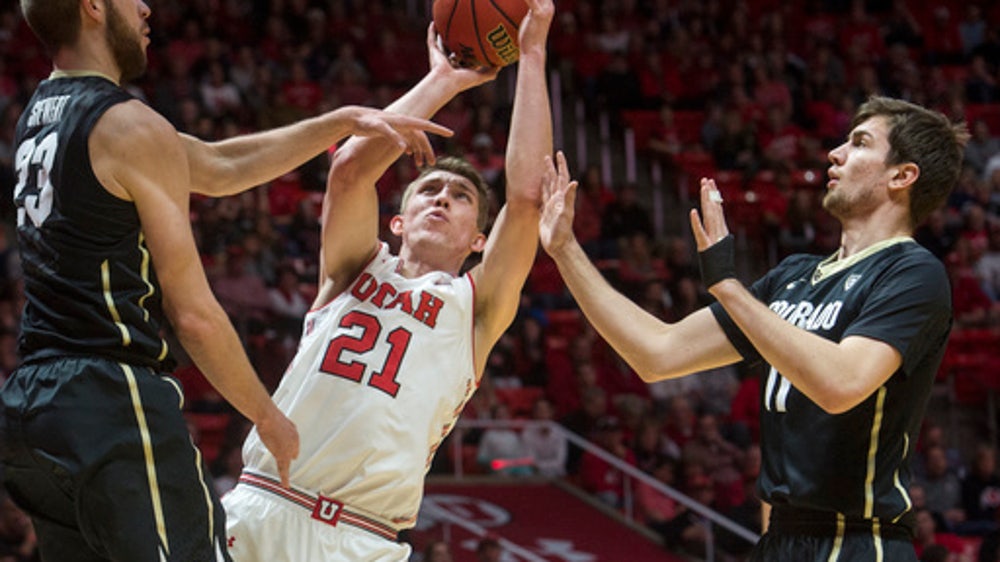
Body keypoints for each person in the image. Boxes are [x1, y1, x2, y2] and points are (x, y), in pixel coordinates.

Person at [1, 0, 451, 560]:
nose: (145, 8)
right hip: (109, 399)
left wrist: (341, 121)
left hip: (33, 409)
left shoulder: (40, 114)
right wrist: (267, 415)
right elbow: (192, 312)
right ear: (93, 7)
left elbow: (218, 167)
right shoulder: (127, 123)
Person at [537, 95, 969, 561]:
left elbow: (842, 383)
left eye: (860, 144)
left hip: (860, 541)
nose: (835, 153)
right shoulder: (792, 277)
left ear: (902, 176)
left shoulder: (912, 273)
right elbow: (655, 353)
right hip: (781, 539)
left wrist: (726, 284)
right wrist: (565, 250)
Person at [221, 1, 555, 560]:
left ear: (480, 240)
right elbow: (350, 168)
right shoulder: (354, 266)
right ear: (396, 222)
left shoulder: (476, 306)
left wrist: (533, 54)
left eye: (461, 196)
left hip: (362, 536)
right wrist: (442, 79)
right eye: (428, 189)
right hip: (262, 506)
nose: (442, 196)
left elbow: (523, 200)